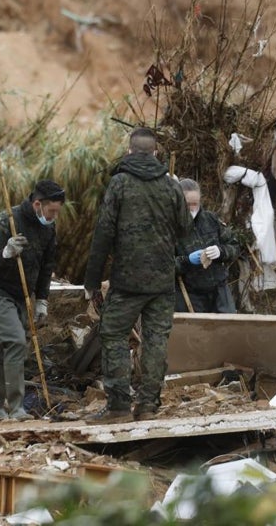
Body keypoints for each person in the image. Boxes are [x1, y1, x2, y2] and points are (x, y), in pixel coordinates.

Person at [84, 128, 191, 422]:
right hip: (161, 281)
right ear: (156, 153)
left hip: (127, 281)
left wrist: (91, 280)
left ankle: (118, 406)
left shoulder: (119, 183)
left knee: (115, 335)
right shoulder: (171, 187)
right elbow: (185, 228)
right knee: (156, 341)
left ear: (130, 151)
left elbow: (103, 234)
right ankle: (147, 406)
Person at [0, 179, 66, 421]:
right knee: (15, 342)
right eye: (51, 211)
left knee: (3, 346)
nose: (54, 216)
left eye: (58, 212)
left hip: (21, 293)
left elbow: (47, 266)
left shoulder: (48, 228)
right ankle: (16, 408)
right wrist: (5, 253)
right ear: (37, 204)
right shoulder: (8, 221)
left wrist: (43, 300)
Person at [176, 179, 240, 314]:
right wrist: (188, 261)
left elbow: (234, 246)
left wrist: (221, 252)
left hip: (219, 290)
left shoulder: (210, 219)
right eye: (188, 204)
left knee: (228, 329)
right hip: (190, 293)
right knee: (196, 332)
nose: (192, 208)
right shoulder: (170, 227)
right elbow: (162, 266)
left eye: (195, 204)